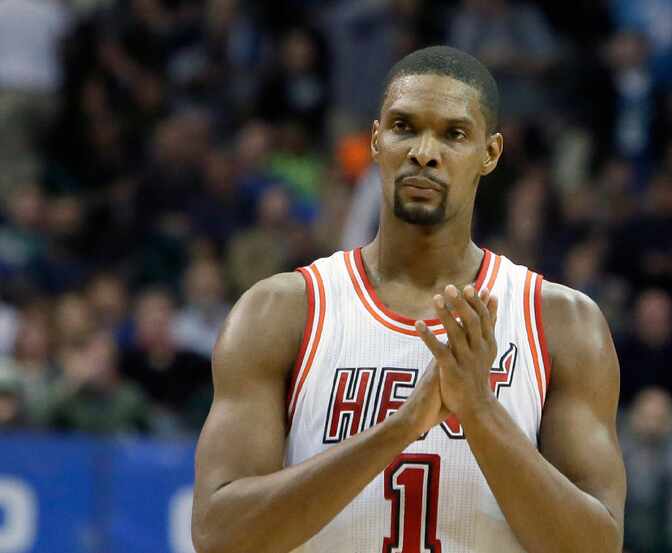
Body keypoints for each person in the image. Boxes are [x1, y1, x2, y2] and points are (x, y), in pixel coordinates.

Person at [192, 46, 626, 553]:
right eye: (404, 126)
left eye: (454, 134)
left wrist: (478, 410)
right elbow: (218, 536)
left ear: (490, 153)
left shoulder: (561, 322)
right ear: (376, 140)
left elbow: (595, 546)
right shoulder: (283, 311)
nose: (424, 151)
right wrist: (402, 426)